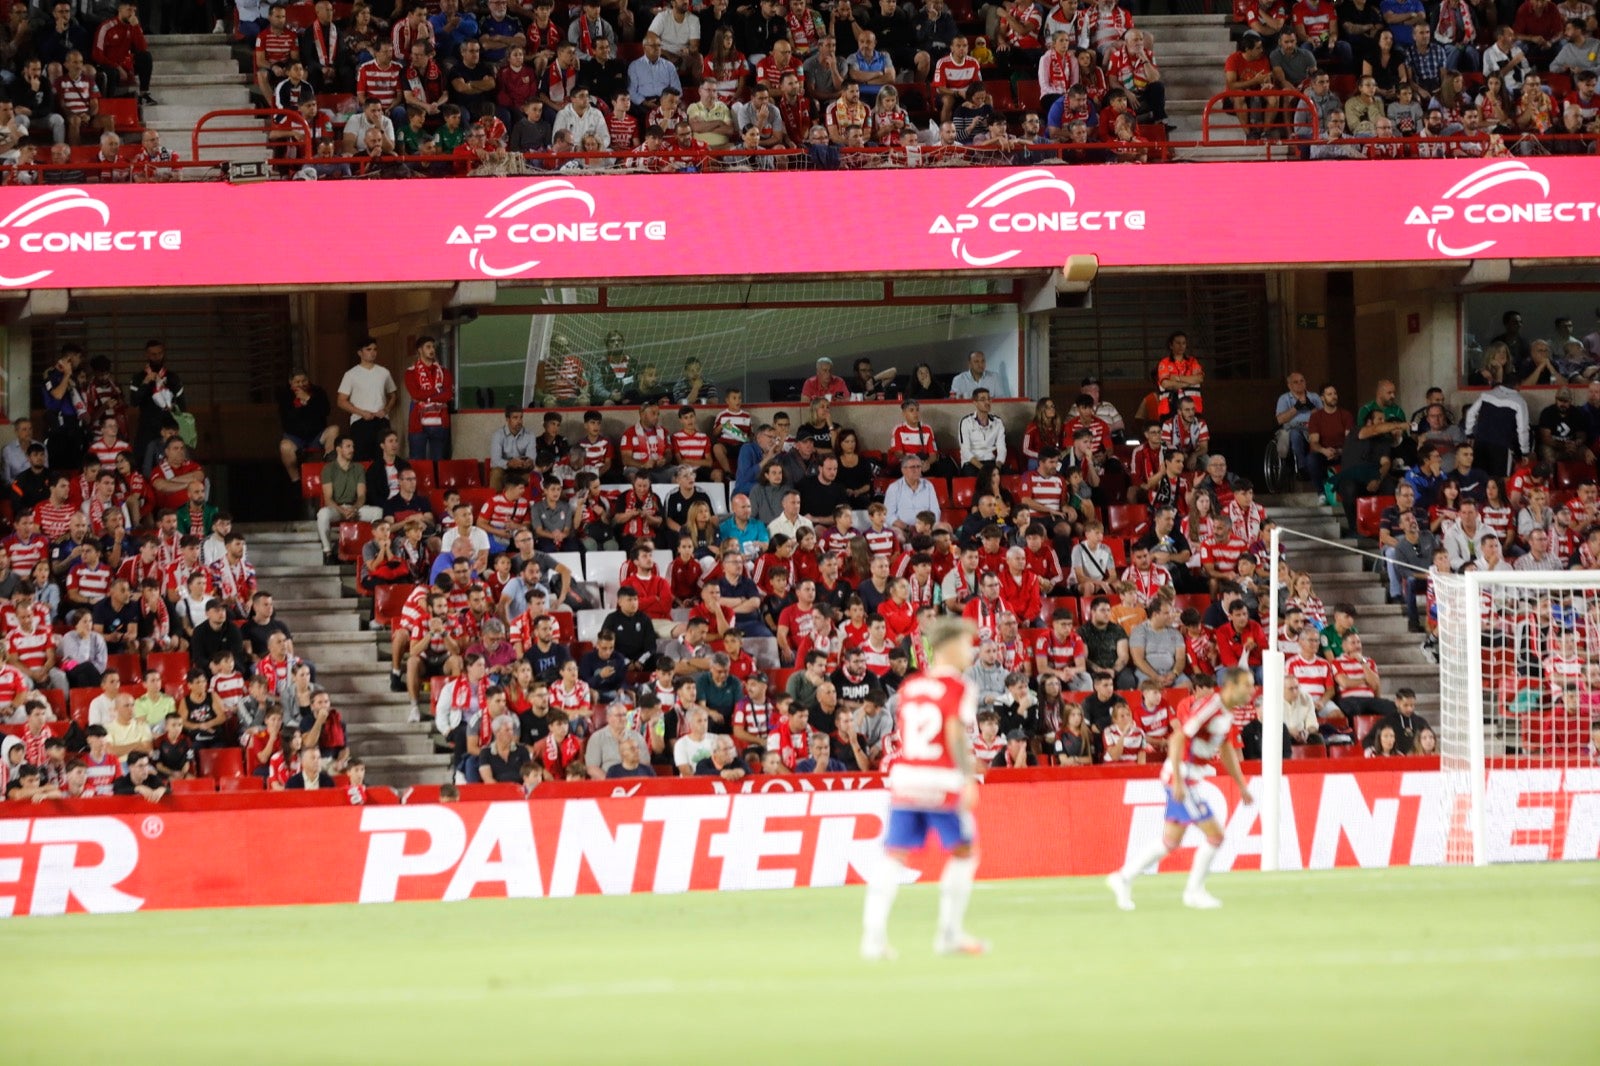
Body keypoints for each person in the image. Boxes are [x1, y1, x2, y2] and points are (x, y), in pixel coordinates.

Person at [860, 616, 986, 959]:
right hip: (940, 781)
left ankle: (872, 937)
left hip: (906, 778)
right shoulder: (959, 687)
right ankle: (949, 933)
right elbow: (954, 735)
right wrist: (967, 779)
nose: (970, 652)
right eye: (965, 645)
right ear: (947, 647)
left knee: (893, 856)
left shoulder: (911, 686)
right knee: (965, 851)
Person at [1107, 666, 1257, 911]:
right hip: (1183, 777)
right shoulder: (1211, 707)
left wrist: (1241, 785)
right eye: (1247, 685)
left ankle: (1123, 878)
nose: (1252, 690)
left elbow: (1226, 749)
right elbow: (1178, 737)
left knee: (1170, 841)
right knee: (1215, 836)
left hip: (1188, 778)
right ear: (1231, 686)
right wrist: (1177, 779)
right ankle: (1194, 892)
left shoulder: (1227, 712)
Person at [336, 336, 397, 463]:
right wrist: (361, 412)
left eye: (375, 349)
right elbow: (341, 401)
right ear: (360, 352)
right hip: (360, 421)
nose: (373, 352)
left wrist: (386, 410)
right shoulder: (351, 374)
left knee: (384, 459)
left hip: (381, 420)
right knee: (361, 460)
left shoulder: (384, 372)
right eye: (368, 349)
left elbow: (393, 395)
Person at [277, 371, 338, 483]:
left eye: (304, 381)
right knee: (284, 447)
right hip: (295, 436)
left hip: (316, 435)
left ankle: (329, 468)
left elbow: (325, 411)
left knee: (334, 430)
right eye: (297, 382)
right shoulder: (285, 395)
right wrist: (302, 406)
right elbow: (288, 419)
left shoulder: (318, 392)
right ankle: (295, 481)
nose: (301, 384)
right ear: (291, 382)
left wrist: (309, 399)